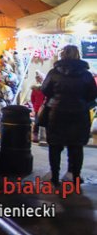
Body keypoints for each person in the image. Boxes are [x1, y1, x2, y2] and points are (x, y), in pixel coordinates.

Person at [41, 44, 97, 186]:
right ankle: (75, 177)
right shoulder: (86, 74)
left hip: (57, 112)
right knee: (76, 146)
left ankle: (54, 177)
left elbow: (45, 90)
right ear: (78, 55)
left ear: (63, 55)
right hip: (79, 113)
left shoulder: (54, 72)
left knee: (55, 145)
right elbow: (92, 94)